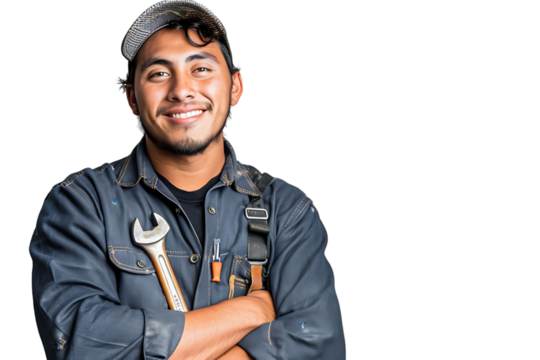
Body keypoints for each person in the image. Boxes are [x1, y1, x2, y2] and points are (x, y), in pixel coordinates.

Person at [29, 0, 346, 358]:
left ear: (236, 87)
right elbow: (81, 343)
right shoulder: (81, 204)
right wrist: (252, 310)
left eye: (201, 68)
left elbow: (319, 344)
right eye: (159, 73)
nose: (181, 90)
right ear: (132, 97)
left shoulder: (287, 211)